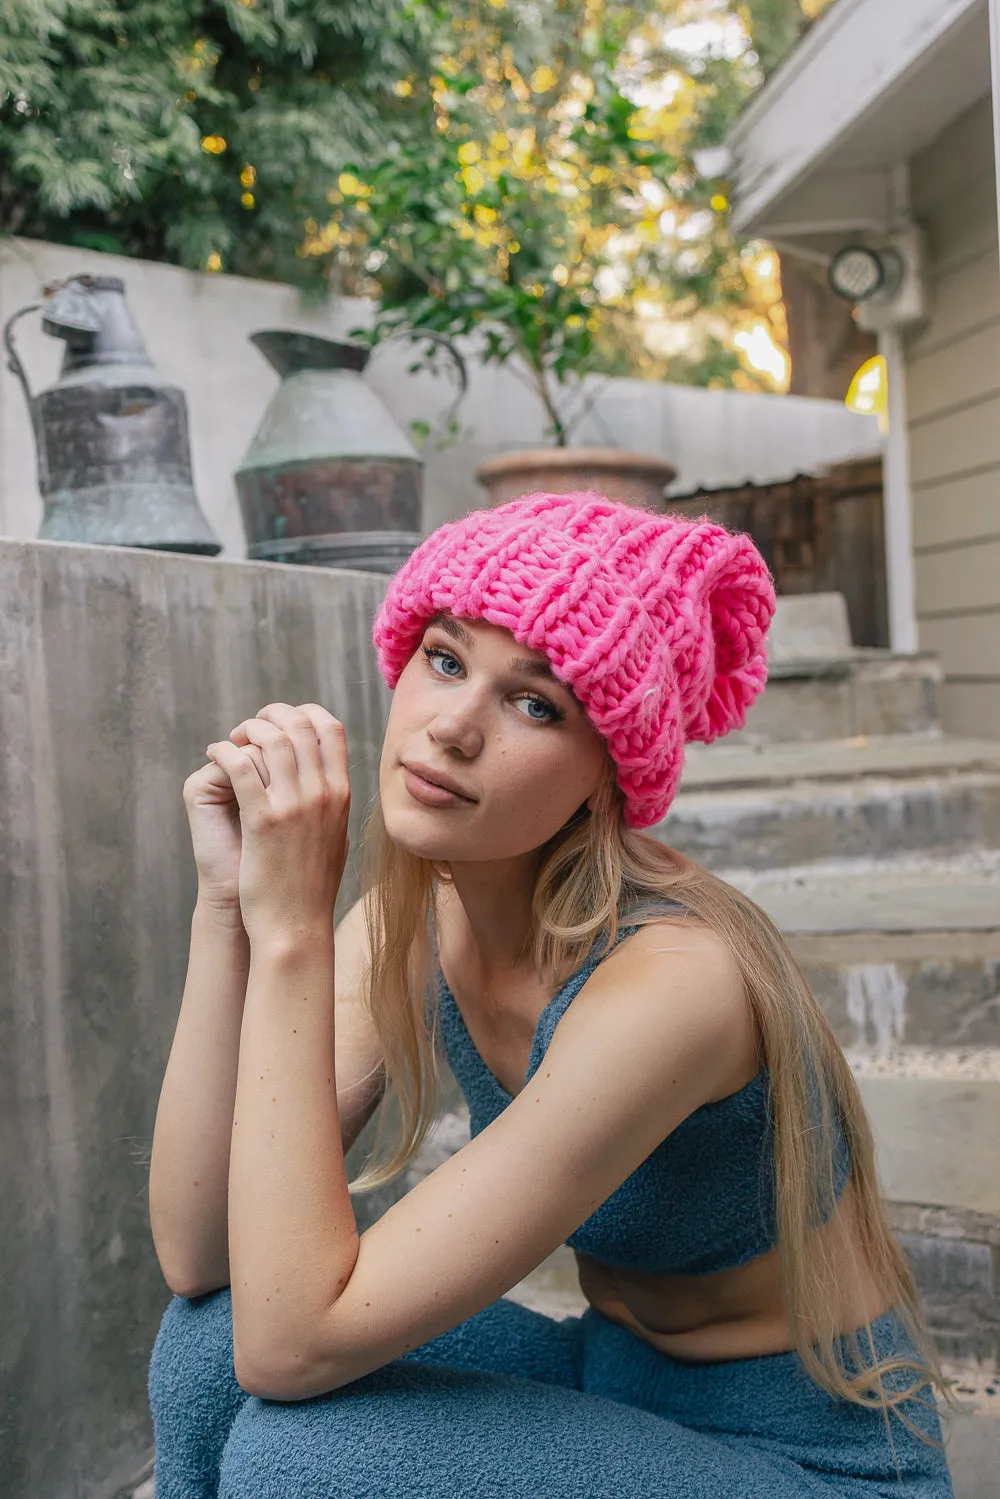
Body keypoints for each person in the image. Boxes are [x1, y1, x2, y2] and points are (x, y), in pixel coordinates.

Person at [147, 492, 954, 1498]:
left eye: (534, 704)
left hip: (800, 1457)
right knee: (202, 1347)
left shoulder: (672, 984)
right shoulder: (432, 908)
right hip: (611, 1382)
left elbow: (293, 1344)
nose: (450, 727)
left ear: (606, 773)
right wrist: (228, 907)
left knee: (302, 1452)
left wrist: (293, 931)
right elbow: (198, 1248)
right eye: (444, 657)